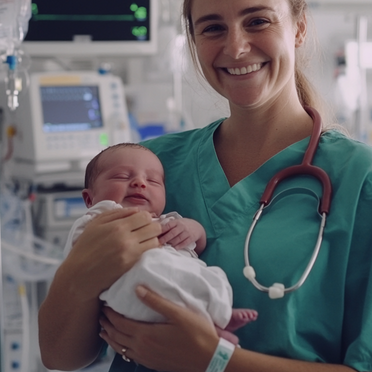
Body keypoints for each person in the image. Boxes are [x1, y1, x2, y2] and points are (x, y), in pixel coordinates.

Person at [39, 0, 372, 372]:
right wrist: (78, 274)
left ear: (298, 28)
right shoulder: (150, 170)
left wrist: (214, 360)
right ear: (194, 42)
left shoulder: (362, 180)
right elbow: (62, 355)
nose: (236, 47)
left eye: (257, 21)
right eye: (212, 28)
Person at [64, 142, 257, 344]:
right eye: (121, 176)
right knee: (151, 276)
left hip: (176, 276)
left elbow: (195, 247)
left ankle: (219, 316)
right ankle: (210, 325)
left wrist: (195, 230)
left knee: (213, 275)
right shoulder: (97, 219)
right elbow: (78, 257)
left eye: (153, 181)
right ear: (89, 198)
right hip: (137, 289)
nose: (140, 182)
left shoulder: (166, 221)